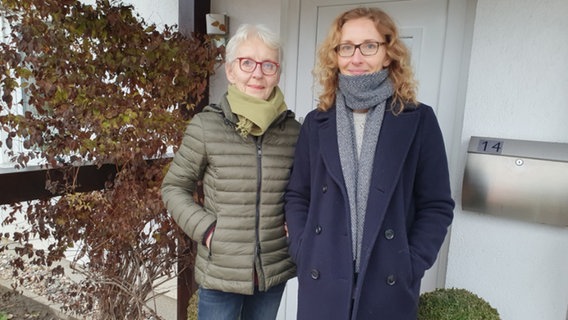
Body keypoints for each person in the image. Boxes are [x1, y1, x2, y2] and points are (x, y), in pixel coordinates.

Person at [284, 7, 455, 320]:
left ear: (388, 53)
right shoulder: (316, 122)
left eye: (369, 46)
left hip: (388, 280)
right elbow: (298, 195)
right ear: (335, 56)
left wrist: (411, 262)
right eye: (346, 47)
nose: (356, 57)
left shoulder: (419, 121)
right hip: (322, 277)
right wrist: (303, 247)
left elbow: (437, 205)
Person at [161, 24, 300, 320]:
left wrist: (297, 221)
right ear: (230, 71)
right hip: (221, 269)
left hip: (272, 269)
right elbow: (174, 187)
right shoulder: (206, 126)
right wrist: (208, 231)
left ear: (278, 72)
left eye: (268, 64)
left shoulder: (294, 132)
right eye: (246, 62)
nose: (257, 73)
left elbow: (306, 190)